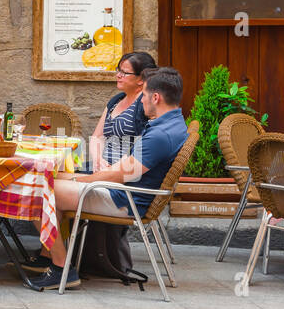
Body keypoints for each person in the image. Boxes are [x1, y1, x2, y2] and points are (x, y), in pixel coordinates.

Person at [26, 66, 189, 291]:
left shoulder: (161, 135)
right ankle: (51, 256)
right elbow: (127, 169)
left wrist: (80, 181)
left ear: (156, 97)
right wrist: (73, 178)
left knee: (37, 191)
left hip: (124, 199)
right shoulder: (173, 122)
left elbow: (121, 174)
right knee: (52, 178)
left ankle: (61, 267)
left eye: (143, 96)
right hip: (126, 190)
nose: (140, 102)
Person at [86, 51, 158, 171]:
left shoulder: (145, 103)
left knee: (58, 180)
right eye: (118, 70)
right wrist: (98, 159)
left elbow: (144, 147)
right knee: (56, 173)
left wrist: (113, 169)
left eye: (124, 73)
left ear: (141, 79)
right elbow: (97, 136)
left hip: (122, 174)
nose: (118, 75)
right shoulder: (116, 100)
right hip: (101, 167)